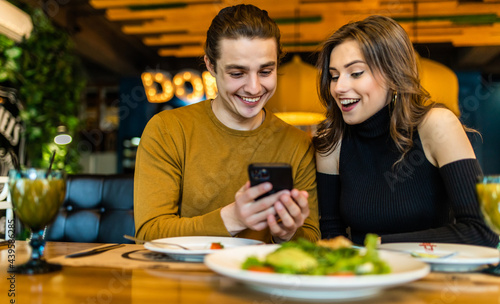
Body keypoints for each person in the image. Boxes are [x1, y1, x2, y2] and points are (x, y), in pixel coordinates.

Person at [134, 4, 320, 244]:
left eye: (265, 71)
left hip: (261, 278)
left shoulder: (297, 143)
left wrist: (287, 233)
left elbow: (312, 239)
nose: (254, 87)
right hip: (184, 278)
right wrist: (232, 218)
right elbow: (148, 234)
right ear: (211, 66)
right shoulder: (167, 130)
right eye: (237, 73)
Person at [313, 15, 499, 248]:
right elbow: (331, 237)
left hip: (434, 278)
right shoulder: (332, 141)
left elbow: (483, 231)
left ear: (393, 74)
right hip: (365, 279)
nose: (339, 88)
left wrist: (381, 244)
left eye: (356, 73)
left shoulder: (436, 125)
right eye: (334, 76)